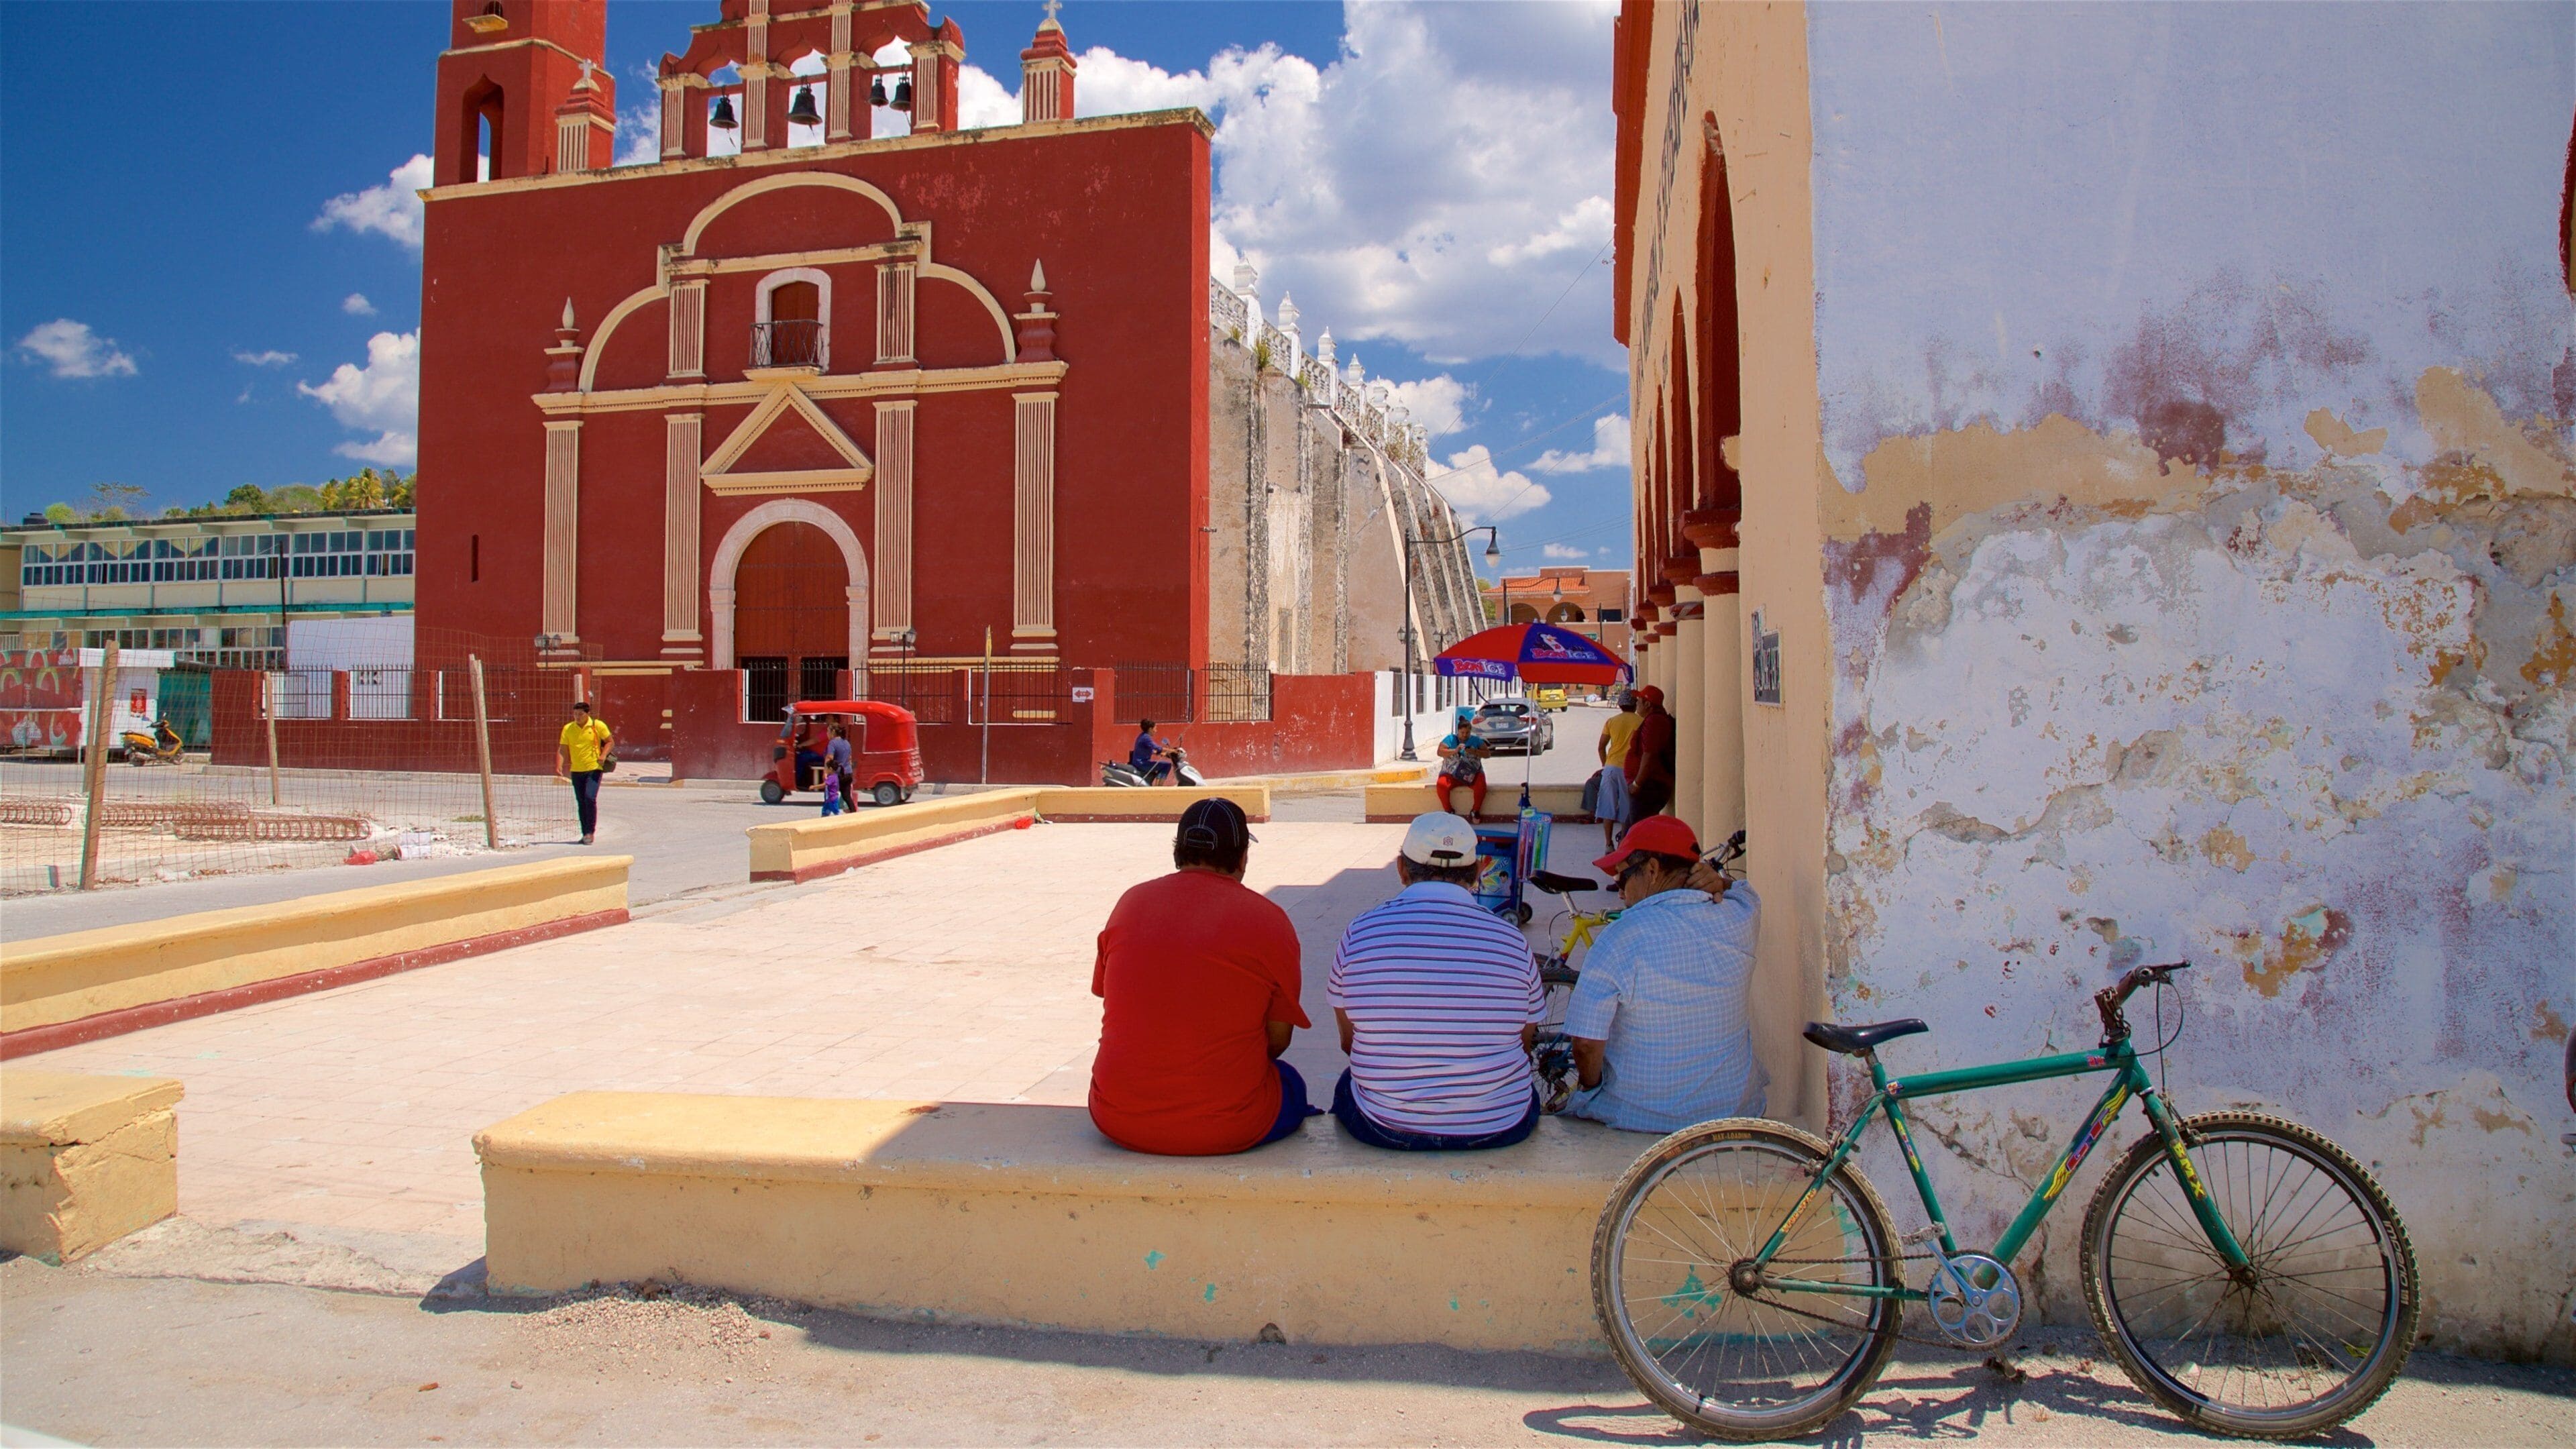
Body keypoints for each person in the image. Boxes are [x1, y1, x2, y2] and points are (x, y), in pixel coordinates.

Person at [1089, 798, 1320, 1155]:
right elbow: (1277, 1042)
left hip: (1117, 1116)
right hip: (1227, 1127)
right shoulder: (1269, 919)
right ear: (1242, 857)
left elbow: (1112, 997)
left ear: (1178, 852)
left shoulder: (1130, 903)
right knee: (1290, 1082)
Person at [1327, 812, 1545, 1151]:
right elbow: (1523, 1044)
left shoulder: (1360, 933)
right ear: (1476, 873)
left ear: (1401, 869)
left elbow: (1349, 1044)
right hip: (1498, 1126)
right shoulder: (1511, 940)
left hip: (1385, 1126)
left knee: (1348, 1084)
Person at [1558, 814, 1766, 1130]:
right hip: (1732, 1113)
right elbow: (1745, 893)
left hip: (1642, 1118)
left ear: (1652, 870)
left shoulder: (1621, 937)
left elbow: (1586, 1045)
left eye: (1622, 878)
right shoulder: (1740, 916)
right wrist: (1721, 882)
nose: (1620, 892)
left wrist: (1589, 1086)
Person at [553, 699, 613, 845]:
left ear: (587, 714)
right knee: (581, 802)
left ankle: (590, 832)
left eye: (580, 714)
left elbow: (610, 741)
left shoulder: (597, 726)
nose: (577, 717)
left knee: (590, 798)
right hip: (576, 770)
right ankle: (584, 832)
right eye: (575, 714)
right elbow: (563, 748)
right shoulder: (568, 728)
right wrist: (559, 765)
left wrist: (603, 755)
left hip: (594, 768)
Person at [1592, 690, 1641, 848]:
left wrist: (1605, 765)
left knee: (1608, 806)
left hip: (1611, 768)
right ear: (1635, 705)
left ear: (1620, 705)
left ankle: (1608, 844)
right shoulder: (1641, 722)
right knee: (1628, 809)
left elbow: (1601, 747)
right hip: (1630, 771)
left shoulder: (1611, 721)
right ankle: (1626, 844)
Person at [1624, 685, 1678, 820]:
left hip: (1649, 787)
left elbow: (1649, 755)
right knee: (1631, 830)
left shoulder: (1654, 721)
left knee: (1637, 832)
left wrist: (1637, 784)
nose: (1636, 703)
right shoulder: (1654, 719)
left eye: (1639, 700)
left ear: (1647, 704)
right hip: (1649, 785)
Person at [1436, 707, 1491, 822]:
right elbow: (1440, 752)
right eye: (1462, 733)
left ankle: (1475, 811)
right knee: (1442, 785)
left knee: (1481, 785)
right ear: (1458, 731)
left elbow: (1487, 754)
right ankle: (1448, 811)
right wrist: (1455, 751)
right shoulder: (1450, 739)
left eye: (1467, 733)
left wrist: (1475, 752)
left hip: (1472, 774)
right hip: (1452, 774)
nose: (1465, 735)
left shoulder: (1476, 741)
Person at [821, 722, 853, 816]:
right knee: (847, 797)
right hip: (848, 773)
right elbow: (850, 759)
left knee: (830, 796)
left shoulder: (832, 743)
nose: (827, 733)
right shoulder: (846, 742)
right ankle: (854, 815)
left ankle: (826, 816)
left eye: (828, 731)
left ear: (833, 732)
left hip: (837, 774)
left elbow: (829, 758)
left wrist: (825, 772)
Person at [1129, 718, 1173, 785]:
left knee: (1162, 765)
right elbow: (1156, 747)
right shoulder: (1146, 738)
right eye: (1155, 729)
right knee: (1166, 765)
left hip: (1139, 762)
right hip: (1142, 763)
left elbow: (1151, 750)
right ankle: (1159, 786)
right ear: (1150, 729)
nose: (1156, 731)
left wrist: (1161, 753)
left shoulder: (1143, 736)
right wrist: (1174, 750)